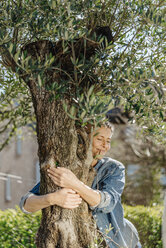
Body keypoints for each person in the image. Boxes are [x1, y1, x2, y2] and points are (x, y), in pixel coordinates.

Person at [20, 123, 142, 248]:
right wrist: (53, 198)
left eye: (108, 141)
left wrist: (74, 183)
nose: (105, 146)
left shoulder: (113, 168)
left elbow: (107, 203)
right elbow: (25, 204)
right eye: (100, 139)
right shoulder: (67, 166)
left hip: (117, 242)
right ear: (84, 138)